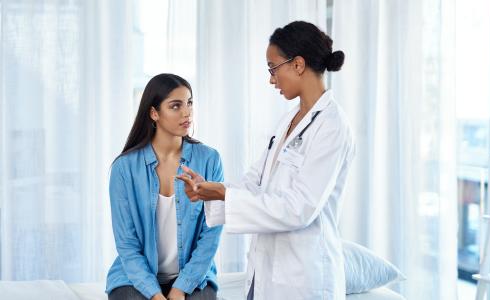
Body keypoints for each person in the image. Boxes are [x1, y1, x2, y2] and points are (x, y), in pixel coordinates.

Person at [179, 21, 355, 299]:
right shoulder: (289, 120)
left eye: (273, 68)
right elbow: (256, 180)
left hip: (302, 279)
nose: (271, 79)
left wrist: (225, 194)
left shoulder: (332, 125)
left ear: (298, 64)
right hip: (265, 273)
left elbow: (299, 208)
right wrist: (212, 191)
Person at [106, 74, 223, 300]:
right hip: (134, 278)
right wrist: (156, 295)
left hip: (193, 276)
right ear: (154, 113)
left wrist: (181, 289)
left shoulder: (209, 160)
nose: (187, 112)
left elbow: (211, 235)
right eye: (176, 106)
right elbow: (127, 245)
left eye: (189, 103)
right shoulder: (124, 168)